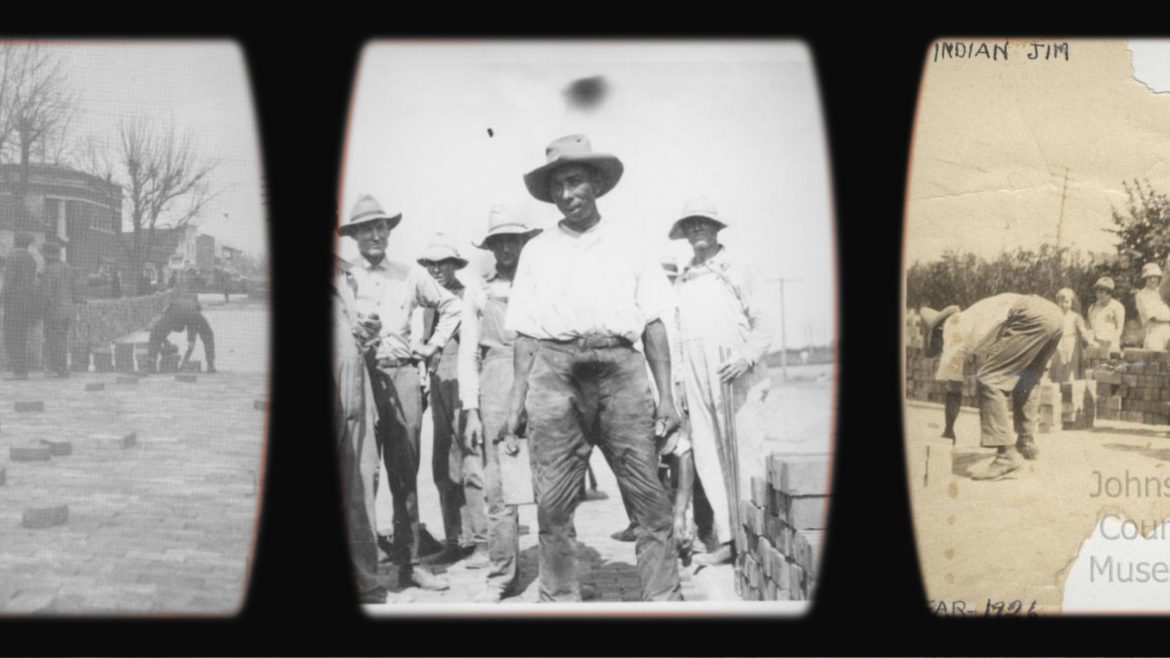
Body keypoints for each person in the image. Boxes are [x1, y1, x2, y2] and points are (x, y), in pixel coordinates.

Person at [502, 134, 683, 602]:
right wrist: (515, 401)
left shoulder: (630, 243)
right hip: (557, 372)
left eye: (576, 181)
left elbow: (655, 323)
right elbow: (523, 332)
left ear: (597, 184)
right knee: (554, 504)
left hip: (622, 370)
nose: (567, 194)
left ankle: (664, 599)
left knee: (648, 496)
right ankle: (560, 600)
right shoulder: (537, 251)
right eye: (558, 185)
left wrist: (667, 397)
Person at [341, 194, 461, 592]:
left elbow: (452, 307)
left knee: (405, 472)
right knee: (362, 474)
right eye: (365, 228)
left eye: (380, 227)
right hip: (360, 378)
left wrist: (431, 346)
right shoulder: (346, 277)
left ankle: (410, 564)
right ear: (354, 235)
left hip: (403, 375)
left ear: (389, 231)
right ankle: (365, 570)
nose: (374, 234)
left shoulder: (410, 273)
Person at [668, 196, 773, 566]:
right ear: (684, 233)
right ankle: (729, 540)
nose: (698, 230)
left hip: (735, 372)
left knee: (744, 451)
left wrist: (745, 358)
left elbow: (763, 324)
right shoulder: (683, 277)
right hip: (696, 374)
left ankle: (755, 536)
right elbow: (677, 336)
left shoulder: (738, 268)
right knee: (709, 455)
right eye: (691, 225)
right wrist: (678, 381)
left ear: (716, 228)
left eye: (703, 224)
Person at [458, 204, 543, 602]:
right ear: (490, 247)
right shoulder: (480, 287)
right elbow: (468, 353)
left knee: (553, 482)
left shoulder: (541, 282)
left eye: (514, 238)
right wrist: (471, 409)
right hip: (494, 380)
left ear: (526, 242)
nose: (507, 246)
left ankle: (561, 574)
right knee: (498, 485)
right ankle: (501, 575)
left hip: (542, 379)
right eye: (499, 241)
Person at [921, 293, 1063, 481]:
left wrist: (949, 430)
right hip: (1053, 313)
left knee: (989, 378)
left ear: (937, 330)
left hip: (1028, 315)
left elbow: (953, 389)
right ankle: (1026, 442)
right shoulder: (971, 316)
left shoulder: (951, 330)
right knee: (1027, 378)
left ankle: (1006, 457)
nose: (938, 347)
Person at [417, 233, 488, 569]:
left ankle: (483, 541)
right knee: (443, 465)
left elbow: (479, 348)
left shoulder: (469, 296)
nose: (436, 269)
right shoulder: (429, 303)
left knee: (472, 463)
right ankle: (455, 540)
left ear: (455, 265)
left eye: (442, 263)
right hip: (439, 386)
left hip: (465, 388)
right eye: (430, 264)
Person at [333, 254, 397, 605]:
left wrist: (362, 334)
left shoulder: (346, 277)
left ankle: (366, 582)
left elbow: (350, 340)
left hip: (356, 390)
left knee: (360, 487)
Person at [40, 242, 82, 378]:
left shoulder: (49, 270)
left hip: (54, 310)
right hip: (68, 309)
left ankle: (60, 368)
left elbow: (46, 293)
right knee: (62, 339)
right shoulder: (68, 267)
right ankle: (59, 367)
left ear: (47, 254)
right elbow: (76, 289)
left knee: (55, 339)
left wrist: (39, 307)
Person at [146, 294, 217, 373]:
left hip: (175, 314)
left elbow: (158, 332)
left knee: (155, 335)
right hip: (191, 314)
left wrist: (165, 341)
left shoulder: (171, 308)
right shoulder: (192, 307)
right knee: (208, 336)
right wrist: (191, 342)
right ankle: (210, 365)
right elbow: (192, 328)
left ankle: (151, 366)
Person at [2, 234, 40, 380]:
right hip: (26, 303)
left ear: (15, 242)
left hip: (13, 304)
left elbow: (9, 282)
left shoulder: (13, 257)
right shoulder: (31, 259)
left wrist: (2, 297)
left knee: (12, 336)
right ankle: (21, 370)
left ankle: (18, 371)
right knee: (21, 336)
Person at [1050, 287, 1094, 382]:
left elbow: (1083, 330)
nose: (1063, 305)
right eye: (1061, 302)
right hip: (1058, 345)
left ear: (1071, 303)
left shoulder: (1076, 317)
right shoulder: (1054, 316)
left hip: (1071, 344)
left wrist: (1089, 340)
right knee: (1058, 370)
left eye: (1066, 302)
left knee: (1070, 372)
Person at [1135, 262, 1170, 351]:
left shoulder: (1163, 292)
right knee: (1155, 357)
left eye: (1155, 276)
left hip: (1168, 328)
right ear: (1145, 278)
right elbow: (1153, 316)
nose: (1153, 280)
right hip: (1154, 330)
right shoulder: (1141, 295)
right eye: (1149, 277)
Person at [1087, 276, 1124, 354]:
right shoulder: (1092, 308)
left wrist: (1113, 345)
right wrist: (1090, 341)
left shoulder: (1117, 307)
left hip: (1111, 345)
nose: (1099, 295)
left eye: (1103, 292)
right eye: (1098, 292)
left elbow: (1119, 328)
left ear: (1110, 293)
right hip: (1095, 345)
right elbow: (1090, 328)